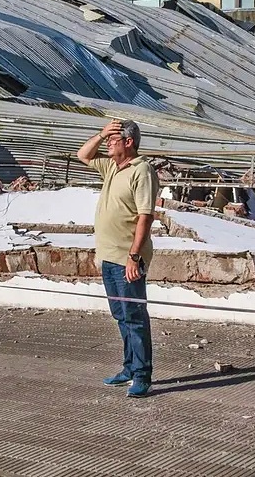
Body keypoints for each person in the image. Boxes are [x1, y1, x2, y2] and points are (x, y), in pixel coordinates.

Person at [76, 119, 160, 398]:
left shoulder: (142, 170)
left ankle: (141, 374)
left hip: (128, 257)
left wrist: (134, 257)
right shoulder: (112, 166)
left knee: (134, 316)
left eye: (114, 139)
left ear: (129, 142)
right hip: (109, 256)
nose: (109, 143)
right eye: (108, 139)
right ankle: (128, 367)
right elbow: (83, 155)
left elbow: (145, 216)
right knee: (121, 315)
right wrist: (101, 133)